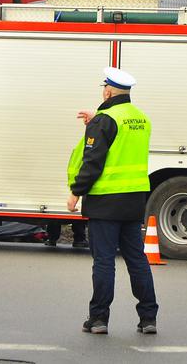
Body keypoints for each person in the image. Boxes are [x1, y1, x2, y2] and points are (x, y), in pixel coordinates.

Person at [67, 66, 158, 335]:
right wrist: (96, 120)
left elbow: (92, 161)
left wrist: (76, 191)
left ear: (108, 92)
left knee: (104, 262)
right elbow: (121, 140)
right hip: (134, 200)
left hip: (105, 201)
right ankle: (148, 318)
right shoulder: (141, 118)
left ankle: (98, 319)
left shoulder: (105, 120)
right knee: (137, 260)